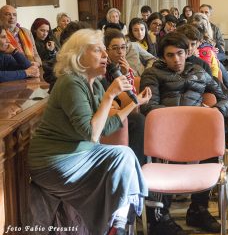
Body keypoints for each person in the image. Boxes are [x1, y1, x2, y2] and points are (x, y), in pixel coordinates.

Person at [28, 29, 151, 234]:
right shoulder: (70, 83)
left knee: (123, 158)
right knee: (124, 155)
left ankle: (116, 224)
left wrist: (134, 103)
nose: (105, 56)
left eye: (105, 51)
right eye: (98, 51)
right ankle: (117, 226)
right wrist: (110, 95)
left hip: (79, 155)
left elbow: (105, 127)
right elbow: (91, 134)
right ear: (78, 55)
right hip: (54, 161)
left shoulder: (94, 86)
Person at [140, 32, 228, 235]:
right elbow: (149, 107)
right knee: (164, 158)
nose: (176, 59)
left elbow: (225, 98)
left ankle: (198, 210)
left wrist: (216, 112)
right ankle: (159, 217)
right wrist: (177, 119)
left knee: (211, 140)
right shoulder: (152, 74)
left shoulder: (199, 71)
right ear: (163, 57)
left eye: (180, 53)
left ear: (187, 52)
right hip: (166, 135)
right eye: (170, 55)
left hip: (195, 131)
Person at [103, 29, 148, 165]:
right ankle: (136, 164)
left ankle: (141, 165)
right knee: (138, 120)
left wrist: (126, 74)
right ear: (106, 50)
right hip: (108, 110)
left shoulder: (124, 67)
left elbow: (131, 95)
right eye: (115, 48)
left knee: (141, 116)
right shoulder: (103, 67)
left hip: (123, 107)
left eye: (123, 48)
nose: (120, 52)